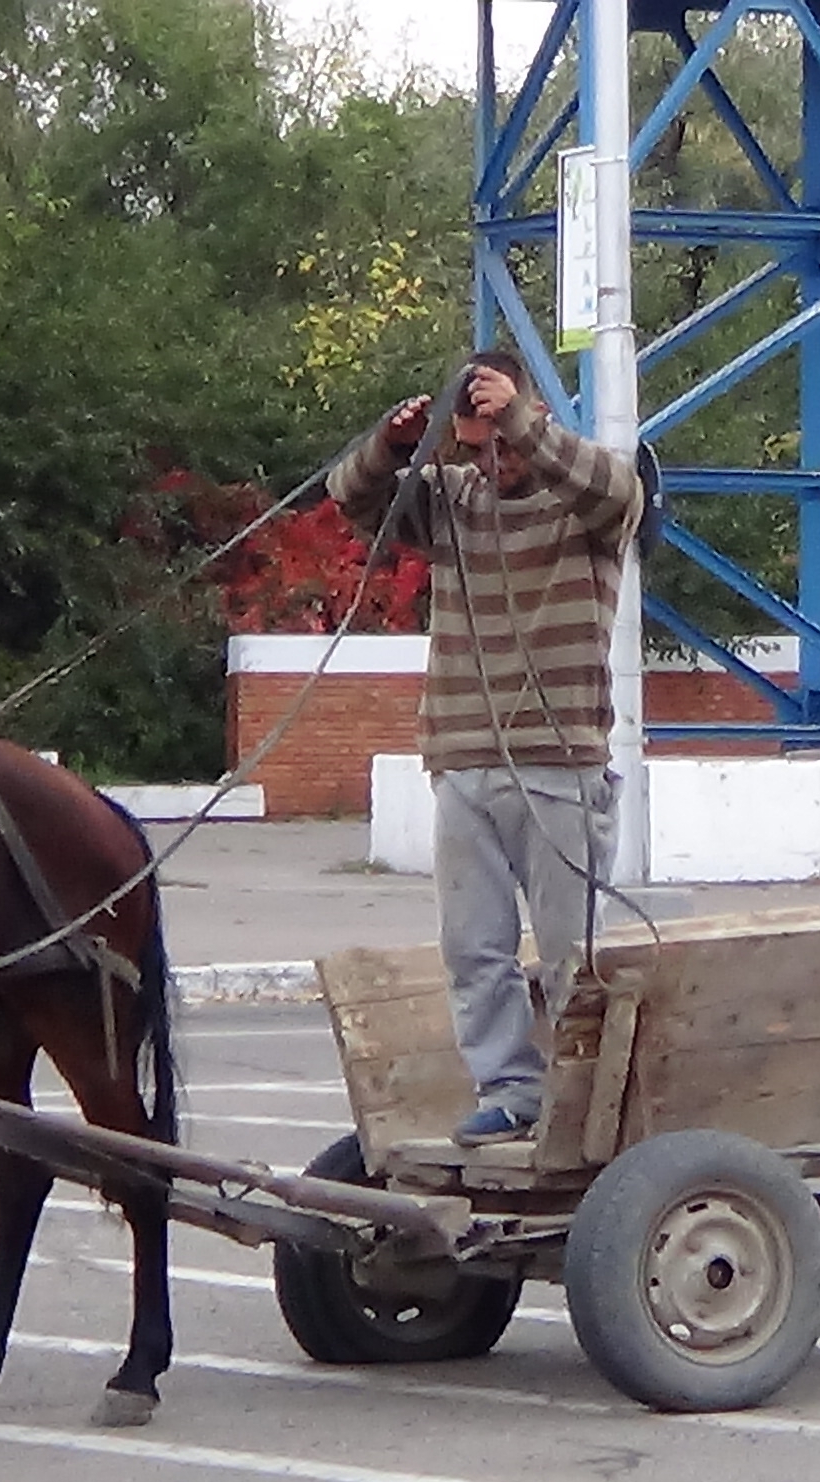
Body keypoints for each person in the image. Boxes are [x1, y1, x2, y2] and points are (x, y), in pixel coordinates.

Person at [328, 351, 644, 1146]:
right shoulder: (454, 503)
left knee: (575, 952)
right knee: (475, 949)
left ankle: (588, 1097)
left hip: (557, 762)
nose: (488, 463)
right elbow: (351, 500)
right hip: (463, 759)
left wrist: (523, 427)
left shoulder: (588, 494)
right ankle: (511, 1090)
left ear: (527, 417)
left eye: (497, 442)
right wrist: (391, 443)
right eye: (473, 447)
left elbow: (621, 493)